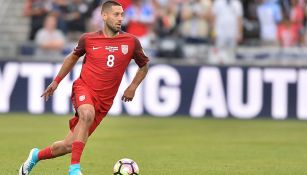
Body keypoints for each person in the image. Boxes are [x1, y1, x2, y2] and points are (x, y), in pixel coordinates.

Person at [19, 1, 149, 175]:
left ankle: (35, 156)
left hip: (104, 101)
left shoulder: (131, 42)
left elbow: (144, 65)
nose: (120, 18)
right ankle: (74, 169)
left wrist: (133, 86)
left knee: (69, 145)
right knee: (87, 114)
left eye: (122, 15)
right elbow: (72, 58)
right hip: (84, 88)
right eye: (116, 14)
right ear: (104, 16)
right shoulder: (88, 39)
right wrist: (56, 81)